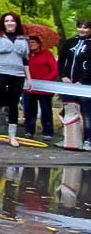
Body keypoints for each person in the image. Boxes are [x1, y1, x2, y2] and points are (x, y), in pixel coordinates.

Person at [0, 12, 32, 147]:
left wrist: (29, 79)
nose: (9, 23)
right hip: (0, 72)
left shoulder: (23, 40)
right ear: (3, 23)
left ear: (17, 23)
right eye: (6, 21)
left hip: (17, 74)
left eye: (12, 21)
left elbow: (25, 61)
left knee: (13, 104)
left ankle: (12, 136)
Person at [57, 19, 91, 151]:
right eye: (80, 27)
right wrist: (64, 76)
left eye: (86, 28)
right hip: (68, 84)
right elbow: (61, 62)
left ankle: (88, 139)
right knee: (69, 111)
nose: (82, 30)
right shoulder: (70, 42)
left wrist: (81, 81)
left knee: (87, 112)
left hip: (85, 85)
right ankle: (69, 138)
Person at [22, 35, 58, 140]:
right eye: (29, 42)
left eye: (33, 42)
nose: (31, 44)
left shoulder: (46, 54)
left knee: (46, 110)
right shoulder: (25, 56)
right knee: (29, 110)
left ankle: (48, 132)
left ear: (38, 44)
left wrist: (46, 80)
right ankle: (29, 131)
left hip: (44, 89)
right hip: (29, 88)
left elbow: (55, 69)